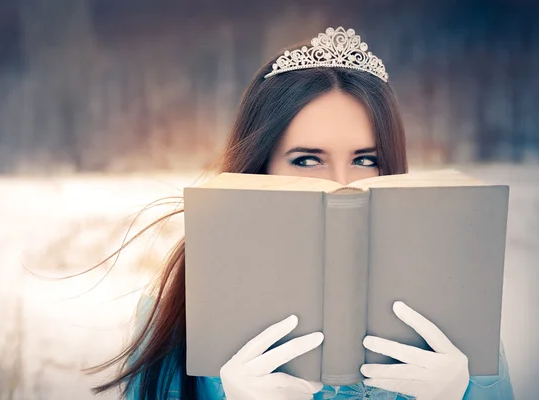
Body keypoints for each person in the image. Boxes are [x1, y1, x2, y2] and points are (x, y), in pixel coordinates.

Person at [90, 26, 515, 400]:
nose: (340, 183)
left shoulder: (455, 317)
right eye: (307, 160)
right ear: (260, 166)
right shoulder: (175, 318)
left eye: (366, 159)